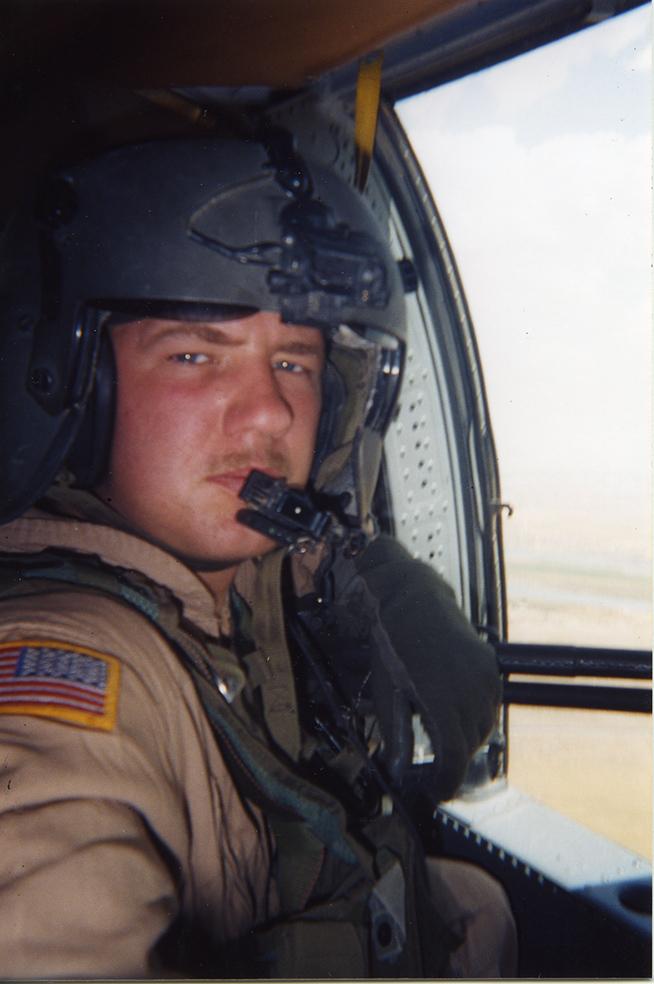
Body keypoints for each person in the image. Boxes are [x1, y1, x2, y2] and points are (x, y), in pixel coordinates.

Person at [0, 118, 516, 977]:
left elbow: (452, 696)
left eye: (295, 364)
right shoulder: (63, 665)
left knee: (479, 905)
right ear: (78, 386)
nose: (271, 413)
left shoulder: (253, 578)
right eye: (194, 354)